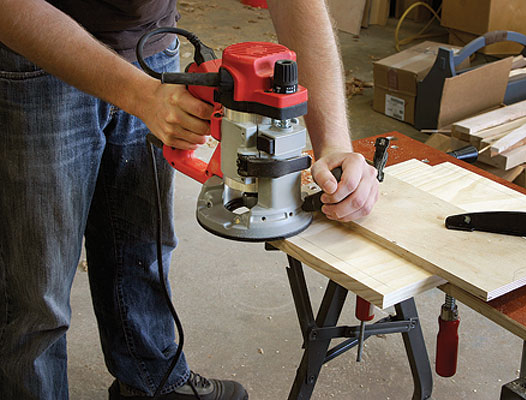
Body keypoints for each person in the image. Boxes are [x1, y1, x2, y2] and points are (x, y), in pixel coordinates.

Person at [0, 0, 379, 399]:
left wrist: (333, 143)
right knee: (34, 292)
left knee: (141, 247)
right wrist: (140, 95)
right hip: (35, 56)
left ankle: (151, 381)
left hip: (151, 43)